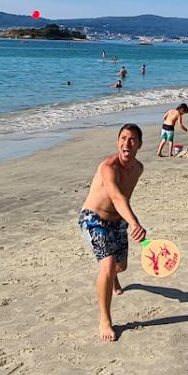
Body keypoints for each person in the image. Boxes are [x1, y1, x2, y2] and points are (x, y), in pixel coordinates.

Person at [78, 124, 147, 342]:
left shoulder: (138, 169)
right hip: (93, 219)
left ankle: (114, 279)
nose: (127, 143)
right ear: (118, 142)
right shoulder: (109, 167)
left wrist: (128, 222)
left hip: (117, 222)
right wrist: (135, 223)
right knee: (107, 265)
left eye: (132, 139)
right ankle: (105, 320)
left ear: (139, 145)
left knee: (120, 266)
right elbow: (116, 197)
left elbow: (124, 200)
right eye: (123, 138)